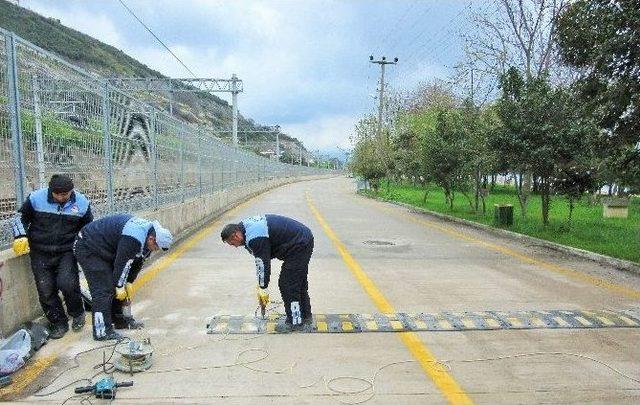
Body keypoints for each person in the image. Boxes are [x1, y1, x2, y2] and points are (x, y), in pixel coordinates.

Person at [12, 174, 93, 339]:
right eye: (58, 195)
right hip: (39, 251)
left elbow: (88, 228)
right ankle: (58, 322)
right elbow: (19, 218)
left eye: (66, 194)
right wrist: (20, 236)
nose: (62, 198)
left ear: (71, 191)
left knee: (68, 283)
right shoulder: (36, 199)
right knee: (46, 289)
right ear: (51, 191)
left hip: (67, 251)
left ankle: (77, 313)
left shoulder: (82, 203)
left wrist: (86, 247)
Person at [73, 214, 173, 340]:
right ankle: (102, 331)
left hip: (106, 249)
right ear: (152, 239)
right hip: (89, 247)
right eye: (156, 247)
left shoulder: (147, 238)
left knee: (120, 283)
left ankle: (120, 321)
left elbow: (136, 263)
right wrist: (120, 286)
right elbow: (122, 264)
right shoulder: (134, 238)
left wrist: (129, 282)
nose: (155, 250)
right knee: (104, 290)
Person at [221, 214, 314, 332]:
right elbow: (262, 257)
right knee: (297, 282)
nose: (235, 246)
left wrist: (263, 288)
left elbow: (262, 263)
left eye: (232, 243)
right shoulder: (244, 228)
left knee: (288, 284)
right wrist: (261, 285)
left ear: (236, 235)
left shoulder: (254, 237)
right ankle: (305, 316)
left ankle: (295, 322)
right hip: (302, 239)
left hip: (299, 244)